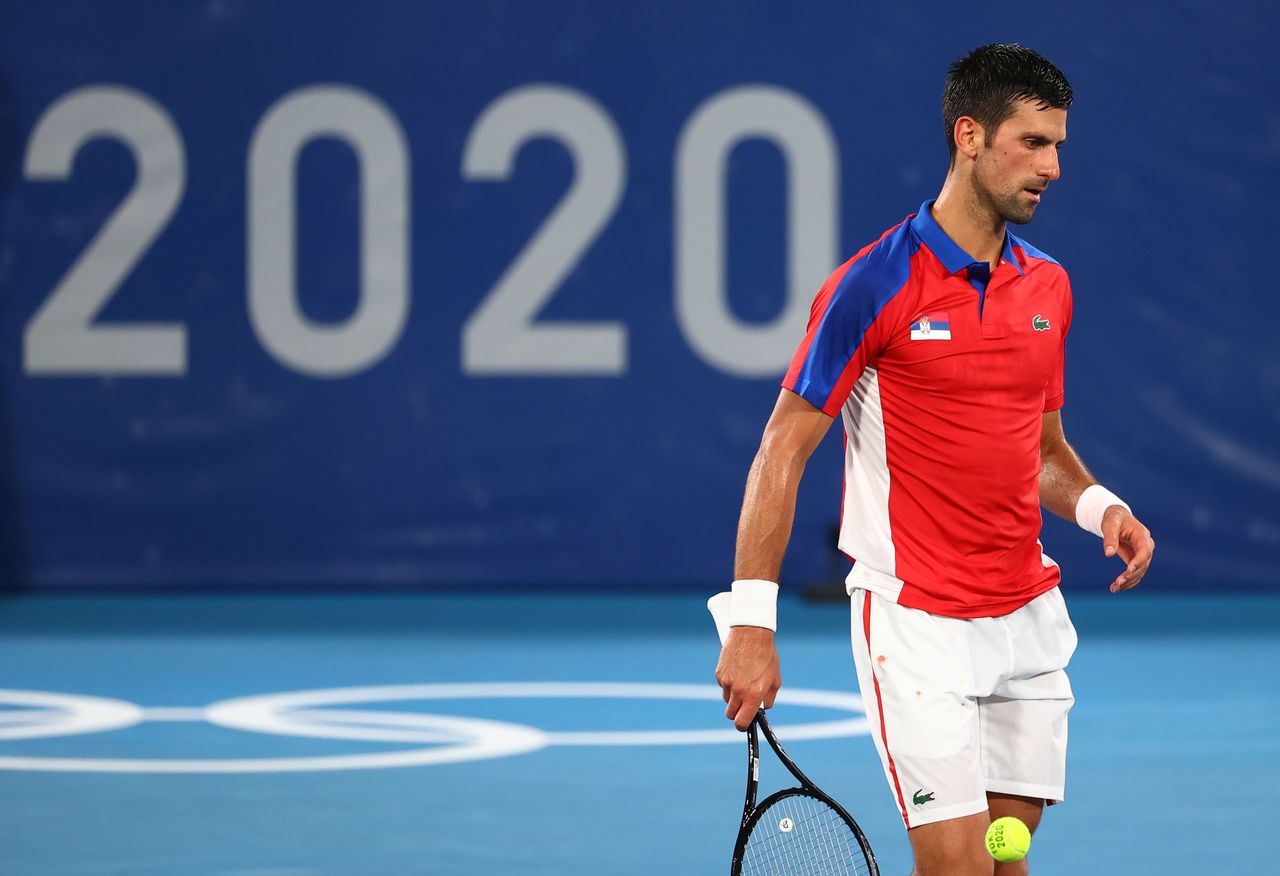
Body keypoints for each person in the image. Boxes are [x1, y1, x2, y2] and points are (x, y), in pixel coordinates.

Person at [713, 44, 1155, 876]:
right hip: (917, 630)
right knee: (956, 870)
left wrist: (1104, 509)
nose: (1053, 166)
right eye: (1032, 143)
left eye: (1059, 145)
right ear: (970, 137)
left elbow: (1042, 449)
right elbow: (782, 447)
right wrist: (751, 623)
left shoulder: (1048, 288)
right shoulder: (872, 286)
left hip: (1025, 630)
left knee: (1005, 861)